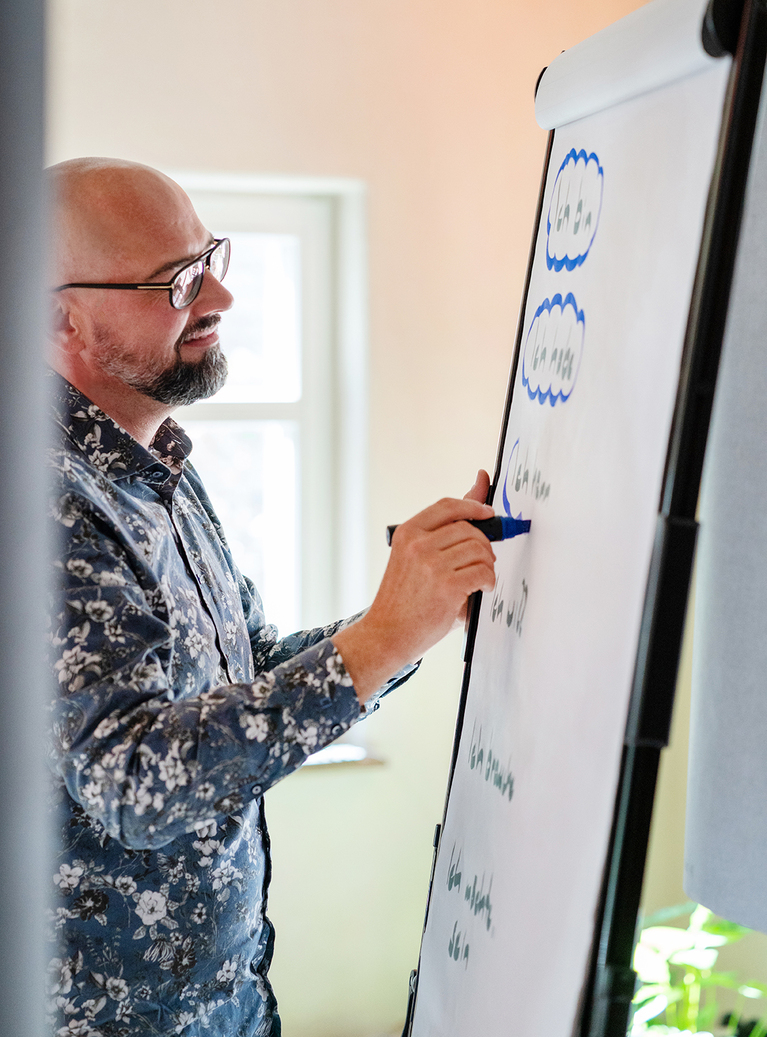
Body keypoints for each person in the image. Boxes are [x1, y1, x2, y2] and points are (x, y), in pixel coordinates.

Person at [46, 157, 496, 1037]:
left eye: (211, 256)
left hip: (227, 1002)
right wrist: (377, 640)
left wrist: (410, 614)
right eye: (176, 280)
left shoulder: (156, 467)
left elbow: (242, 669)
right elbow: (136, 783)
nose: (219, 295)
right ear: (61, 315)